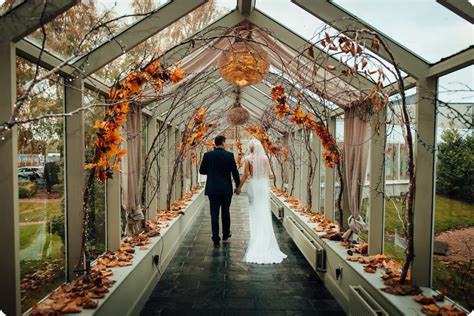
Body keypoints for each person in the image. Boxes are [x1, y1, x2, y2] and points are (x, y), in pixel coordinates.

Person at [235, 138, 287, 264]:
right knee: (264, 210)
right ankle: (266, 239)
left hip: (253, 185)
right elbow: (270, 174)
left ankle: (257, 237)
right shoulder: (264, 158)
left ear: (251, 148)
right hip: (263, 185)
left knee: (255, 210)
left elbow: (245, 175)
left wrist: (239, 187)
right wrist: (262, 175)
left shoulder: (248, 159)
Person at [199, 135, 240, 247]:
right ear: (223, 142)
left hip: (212, 189)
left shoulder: (208, 155)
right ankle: (226, 234)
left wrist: (212, 171)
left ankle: (216, 239)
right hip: (226, 189)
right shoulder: (229, 155)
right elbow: (235, 172)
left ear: (215, 143)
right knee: (225, 212)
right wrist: (238, 185)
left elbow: (202, 170)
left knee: (214, 214)